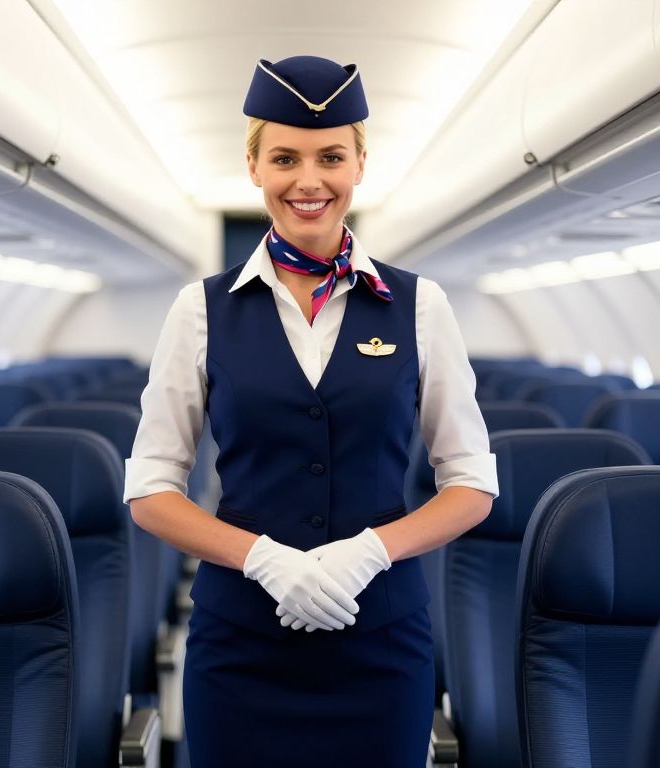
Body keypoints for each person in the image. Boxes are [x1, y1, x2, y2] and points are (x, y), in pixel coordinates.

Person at [124, 55, 499, 768]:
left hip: (381, 647)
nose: (308, 180)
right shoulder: (198, 310)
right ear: (255, 167)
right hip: (239, 649)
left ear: (360, 162)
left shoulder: (423, 306)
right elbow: (149, 489)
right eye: (284, 157)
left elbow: (472, 483)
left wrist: (372, 552)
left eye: (331, 156)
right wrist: (260, 560)